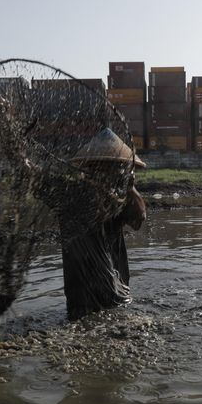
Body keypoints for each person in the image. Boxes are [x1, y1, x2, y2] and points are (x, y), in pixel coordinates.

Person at [60, 128, 146, 321]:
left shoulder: (120, 197)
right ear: (91, 167)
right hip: (82, 297)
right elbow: (30, 174)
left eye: (117, 169)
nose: (112, 173)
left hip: (114, 293)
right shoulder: (68, 193)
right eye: (106, 168)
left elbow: (139, 219)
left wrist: (130, 187)